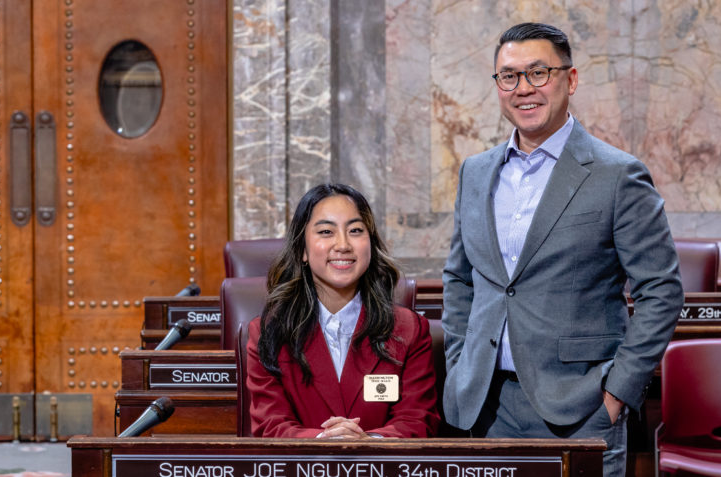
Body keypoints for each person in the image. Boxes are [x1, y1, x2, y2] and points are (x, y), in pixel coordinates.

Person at [441, 22, 683, 475]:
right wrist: (460, 363)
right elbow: (459, 278)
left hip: (581, 408)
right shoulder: (475, 172)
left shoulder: (618, 175)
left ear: (570, 80)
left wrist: (617, 393)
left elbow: (662, 292)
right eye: (508, 76)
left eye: (538, 73)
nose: (523, 88)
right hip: (486, 407)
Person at [246, 183, 440, 438]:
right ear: (303, 249)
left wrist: (368, 442)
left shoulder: (409, 329)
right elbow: (270, 425)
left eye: (355, 230)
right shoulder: (268, 332)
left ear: (370, 244)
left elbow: (418, 421)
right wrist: (324, 441)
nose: (343, 244)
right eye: (326, 231)